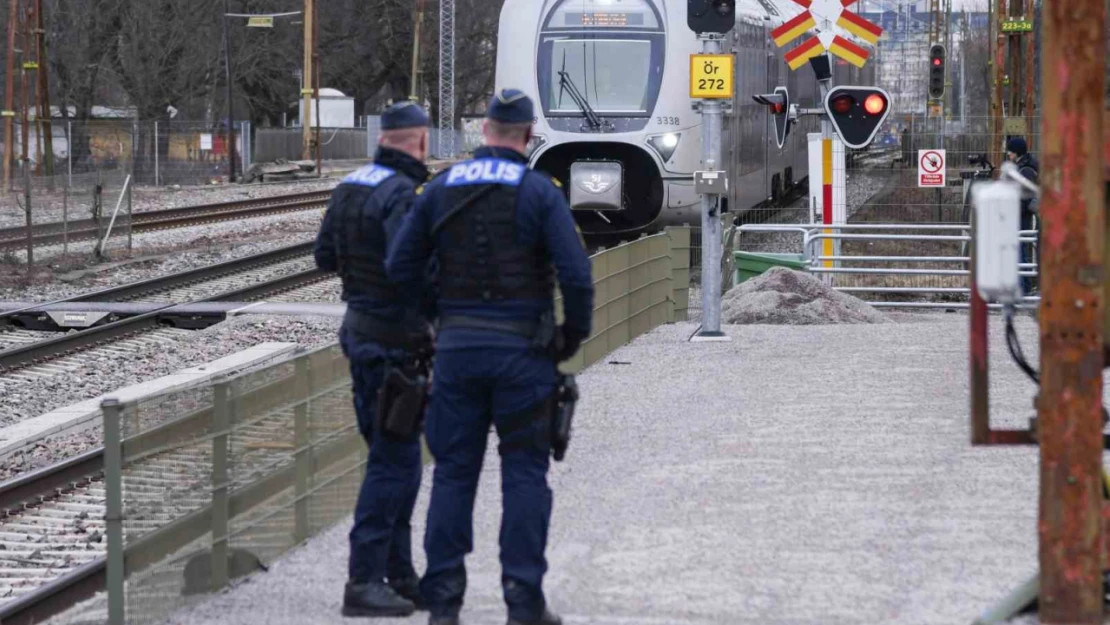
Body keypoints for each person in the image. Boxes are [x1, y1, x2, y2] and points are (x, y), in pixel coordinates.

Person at [385, 89, 595, 625]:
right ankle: (523, 601)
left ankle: (445, 603)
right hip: (524, 353)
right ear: (527, 135)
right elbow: (576, 275)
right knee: (525, 473)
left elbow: (400, 267)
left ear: (484, 131)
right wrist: (568, 339)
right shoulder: (539, 191)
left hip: (456, 351)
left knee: (454, 475)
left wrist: (437, 320)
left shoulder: (440, 188)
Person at [314, 100, 435, 618]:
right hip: (394, 347)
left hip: (360, 335)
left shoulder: (350, 186)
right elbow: (408, 269)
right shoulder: (402, 195)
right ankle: (363, 581)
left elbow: (323, 256)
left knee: (391, 457)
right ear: (420, 140)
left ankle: (401, 576)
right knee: (396, 465)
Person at [1006, 137, 1040, 294]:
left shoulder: (1025, 169)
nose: (1008, 154)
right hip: (1022, 213)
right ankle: (1023, 286)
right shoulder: (1025, 166)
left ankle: (1024, 288)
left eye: (1010, 151)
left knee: (1021, 249)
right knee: (1021, 248)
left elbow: (1024, 196)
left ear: (1016, 152)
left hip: (1022, 215)